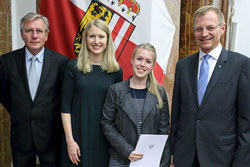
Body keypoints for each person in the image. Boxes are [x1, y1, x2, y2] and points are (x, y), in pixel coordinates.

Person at [170, 6, 250, 167]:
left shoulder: (241, 65)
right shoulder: (183, 66)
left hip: (221, 158)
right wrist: (172, 152)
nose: (204, 33)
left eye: (210, 27)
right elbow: (177, 115)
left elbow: (246, 122)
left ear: (223, 28)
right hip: (185, 157)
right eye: (199, 29)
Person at [0, 12, 68, 167]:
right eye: (29, 30)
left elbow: (62, 96)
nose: (35, 35)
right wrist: (21, 111)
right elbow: (4, 94)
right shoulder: (6, 61)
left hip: (50, 135)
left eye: (39, 31)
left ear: (47, 35)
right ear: (22, 34)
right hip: (21, 135)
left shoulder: (60, 62)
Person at [60, 19, 123, 167]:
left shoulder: (115, 71)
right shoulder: (73, 67)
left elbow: (117, 110)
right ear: (85, 39)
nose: (96, 41)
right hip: (77, 135)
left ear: (108, 40)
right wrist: (70, 141)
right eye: (92, 36)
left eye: (101, 36)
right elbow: (65, 108)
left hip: (103, 137)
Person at [101, 43, 171, 167]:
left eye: (148, 61)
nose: (142, 64)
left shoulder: (160, 92)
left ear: (153, 66)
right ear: (132, 61)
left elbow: (163, 130)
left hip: (149, 160)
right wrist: (127, 150)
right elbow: (107, 124)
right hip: (120, 159)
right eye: (139, 59)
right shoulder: (116, 90)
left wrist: (164, 164)